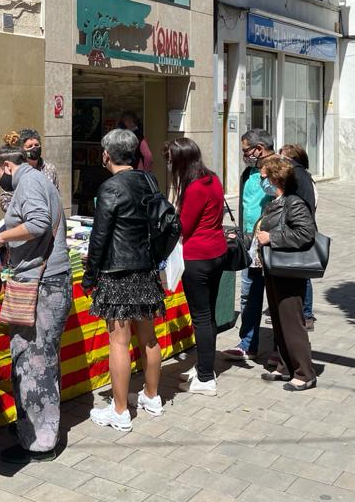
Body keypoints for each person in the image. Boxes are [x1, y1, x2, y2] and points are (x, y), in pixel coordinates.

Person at [0, 143, 70, 463]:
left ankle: (41, 442)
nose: (0, 181)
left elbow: (37, 223)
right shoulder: (34, 180)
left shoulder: (30, 181)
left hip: (44, 284)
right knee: (33, 356)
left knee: (36, 360)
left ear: (8, 167)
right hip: (44, 280)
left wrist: (0, 238)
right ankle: (31, 426)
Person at [82, 129, 168, 431]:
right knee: (148, 336)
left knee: (118, 341)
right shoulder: (149, 179)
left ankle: (119, 411)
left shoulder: (110, 187)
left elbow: (100, 235)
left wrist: (89, 276)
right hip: (145, 268)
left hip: (117, 272)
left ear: (107, 154)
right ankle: (151, 395)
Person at [167, 138, 227, 396]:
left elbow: (184, 225)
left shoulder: (194, 188)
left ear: (181, 160)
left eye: (170, 159)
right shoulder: (212, 179)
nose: (168, 164)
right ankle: (205, 366)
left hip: (198, 257)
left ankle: (205, 378)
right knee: (209, 315)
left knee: (201, 318)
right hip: (216, 252)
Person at [255, 156, 318, 390]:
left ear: (275, 178)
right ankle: (285, 366)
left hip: (288, 271)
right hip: (275, 270)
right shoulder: (278, 201)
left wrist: (272, 238)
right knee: (280, 322)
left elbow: (306, 233)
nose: (261, 181)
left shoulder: (294, 203)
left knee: (292, 323)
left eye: (264, 177)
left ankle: (305, 373)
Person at [221, 129, 276, 363]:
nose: (245, 155)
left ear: (259, 148)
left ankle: (280, 349)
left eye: (246, 151)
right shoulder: (248, 173)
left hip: (272, 243)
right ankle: (248, 343)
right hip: (249, 243)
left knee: (276, 298)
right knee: (248, 294)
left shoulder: (279, 170)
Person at [279, 144, 318, 330]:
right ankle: (303, 313)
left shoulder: (295, 175)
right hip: (304, 228)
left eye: (283, 157)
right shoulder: (306, 176)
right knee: (301, 273)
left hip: (299, 230)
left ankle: (306, 314)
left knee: (302, 274)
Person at [0, 129, 60, 212]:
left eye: (37, 145)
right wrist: (25, 212)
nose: (34, 148)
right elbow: (5, 202)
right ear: (22, 150)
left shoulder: (50, 169)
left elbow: (56, 196)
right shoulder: (14, 171)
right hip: (23, 221)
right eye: (30, 146)